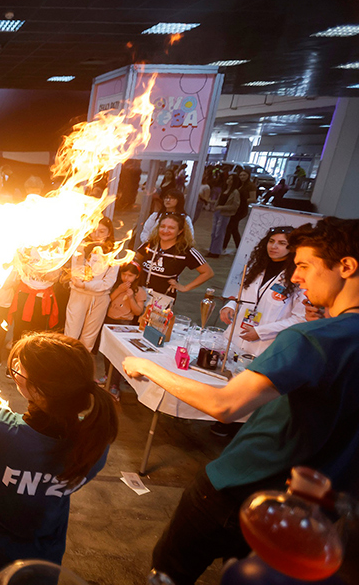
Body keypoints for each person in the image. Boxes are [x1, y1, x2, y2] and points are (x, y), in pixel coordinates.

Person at [123, 217, 359, 585]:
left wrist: (147, 367)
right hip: (310, 518)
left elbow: (226, 406)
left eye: (303, 265)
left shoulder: (311, 338)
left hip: (241, 490)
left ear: (346, 266)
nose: (296, 277)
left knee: (169, 572)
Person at [0, 331, 117, 585]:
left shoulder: (0, 431)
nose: (16, 368)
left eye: (20, 368)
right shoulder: (95, 444)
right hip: (41, 567)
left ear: (37, 391)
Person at [219, 226, 306, 357]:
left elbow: (301, 319)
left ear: (293, 248)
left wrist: (262, 332)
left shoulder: (298, 279)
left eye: (282, 243)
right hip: (235, 339)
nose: (274, 246)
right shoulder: (256, 268)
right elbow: (243, 295)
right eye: (271, 241)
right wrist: (230, 305)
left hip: (265, 348)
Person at [64, 219, 119, 352]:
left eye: (102, 231)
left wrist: (86, 285)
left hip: (100, 298)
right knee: (71, 334)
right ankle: (66, 360)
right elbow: (77, 275)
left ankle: (83, 362)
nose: (97, 235)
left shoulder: (113, 253)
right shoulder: (80, 247)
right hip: (78, 296)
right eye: (94, 231)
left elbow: (108, 282)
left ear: (109, 233)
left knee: (89, 338)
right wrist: (83, 285)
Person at [135, 213, 214, 302]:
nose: (165, 230)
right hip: (138, 293)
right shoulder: (149, 244)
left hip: (162, 299)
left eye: (171, 228)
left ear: (180, 231)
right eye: (162, 226)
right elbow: (136, 261)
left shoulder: (185, 251)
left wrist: (184, 288)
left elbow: (208, 273)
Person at [207, 174, 240, 258]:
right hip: (218, 212)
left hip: (225, 214)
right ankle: (212, 250)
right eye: (229, 178)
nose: (229, 181)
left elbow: (235, 206)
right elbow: (219, 200)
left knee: (219, 233)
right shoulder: (224, 190)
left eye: (231, 179)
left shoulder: (235, 192)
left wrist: (222, 207)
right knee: (214, 233)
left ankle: (216, 252)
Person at [224, 169, 254, 252]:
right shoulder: (239, 184)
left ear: (248, 175)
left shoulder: (250, 185)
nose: (242, 177)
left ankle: (223, 246)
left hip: (242, 209)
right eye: (241, 175)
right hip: (236, 208)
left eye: (244, 175)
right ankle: (238, 246)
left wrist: (241, 200)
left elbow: (253, 199)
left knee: (229, 227)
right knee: (234, 229)